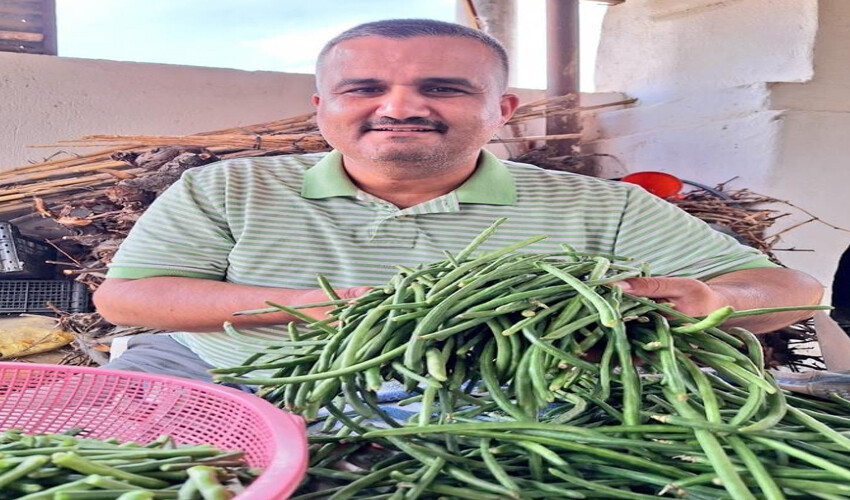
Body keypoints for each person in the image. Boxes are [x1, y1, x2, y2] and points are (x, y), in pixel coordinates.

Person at [93, 19, 823, 385]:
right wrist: (323, 310)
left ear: (499, 108)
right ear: (322, 108)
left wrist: (702, 301)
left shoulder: (601, 209)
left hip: (505, 403)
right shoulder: (228, 188)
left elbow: (793, 290)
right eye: (365, 89)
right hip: (243, 382)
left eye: (442, 88)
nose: (400, 107)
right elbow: (127, 299)